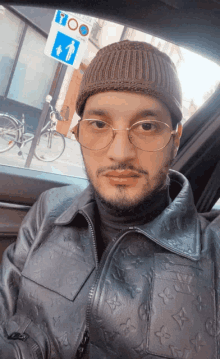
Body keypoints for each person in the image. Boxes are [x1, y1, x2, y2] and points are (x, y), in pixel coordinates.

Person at [0, 40, 219, 359]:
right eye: (99, 125)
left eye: (146, 126)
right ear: (78, 133)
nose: (120, 153)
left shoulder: (212, 254)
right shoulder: (49, 210)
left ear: (175, 139)